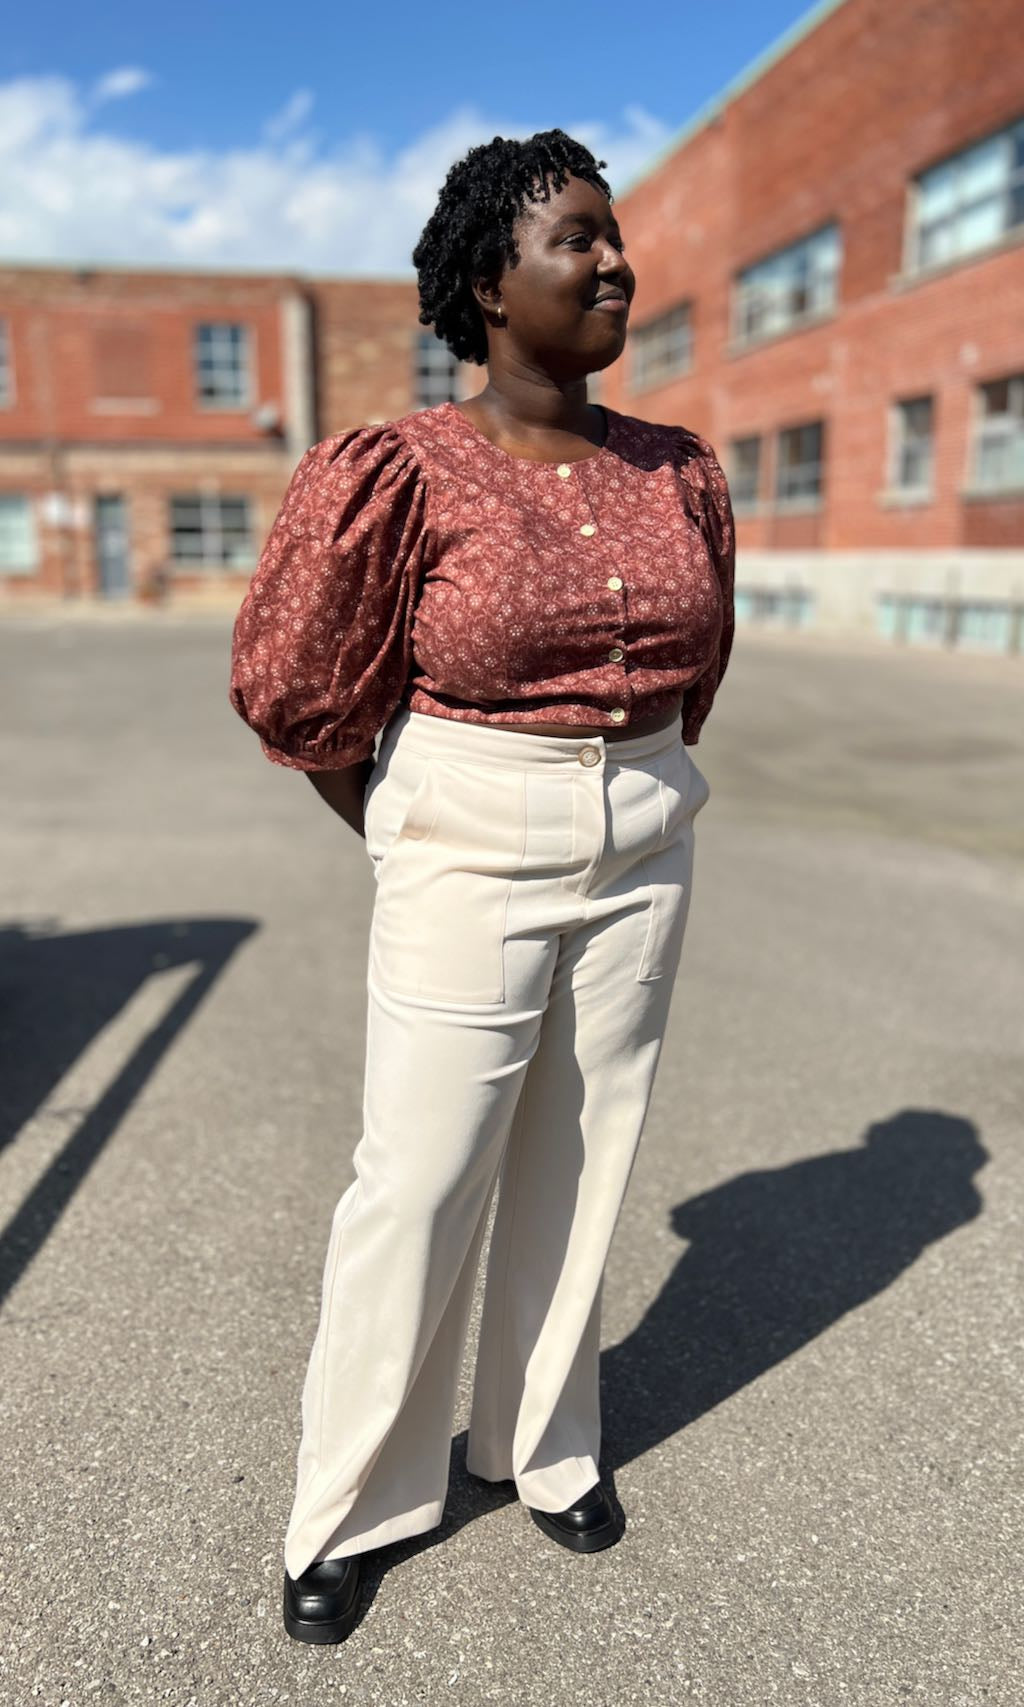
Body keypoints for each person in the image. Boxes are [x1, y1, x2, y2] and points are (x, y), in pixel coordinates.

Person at [228, 127, 735, 1646]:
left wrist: (634, 785)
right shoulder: (398, 469)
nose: (614, 261)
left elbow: (700, 661)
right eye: (576, 238)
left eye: (614, 234)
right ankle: (354, 1506)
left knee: (583, 1153)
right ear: (488, 285)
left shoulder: (679, 468)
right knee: (423, 1178)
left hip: (646, 830)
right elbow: (299, 688)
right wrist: (410, 826)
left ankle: (540, 1445)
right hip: (468, 825)